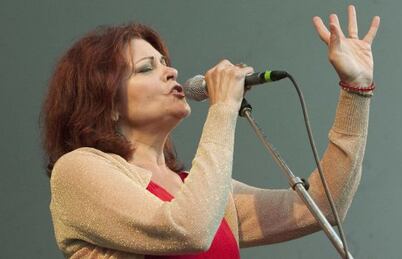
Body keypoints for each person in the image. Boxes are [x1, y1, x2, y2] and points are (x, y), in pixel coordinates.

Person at [42, 5, 380, 259]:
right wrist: (222, 109)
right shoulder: (77, 170)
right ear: (107, 102)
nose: (171, 71)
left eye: (165, 61)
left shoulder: (201, 186)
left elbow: (322, 207)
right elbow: (189, 230)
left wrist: (356, 89)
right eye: (147, 68)